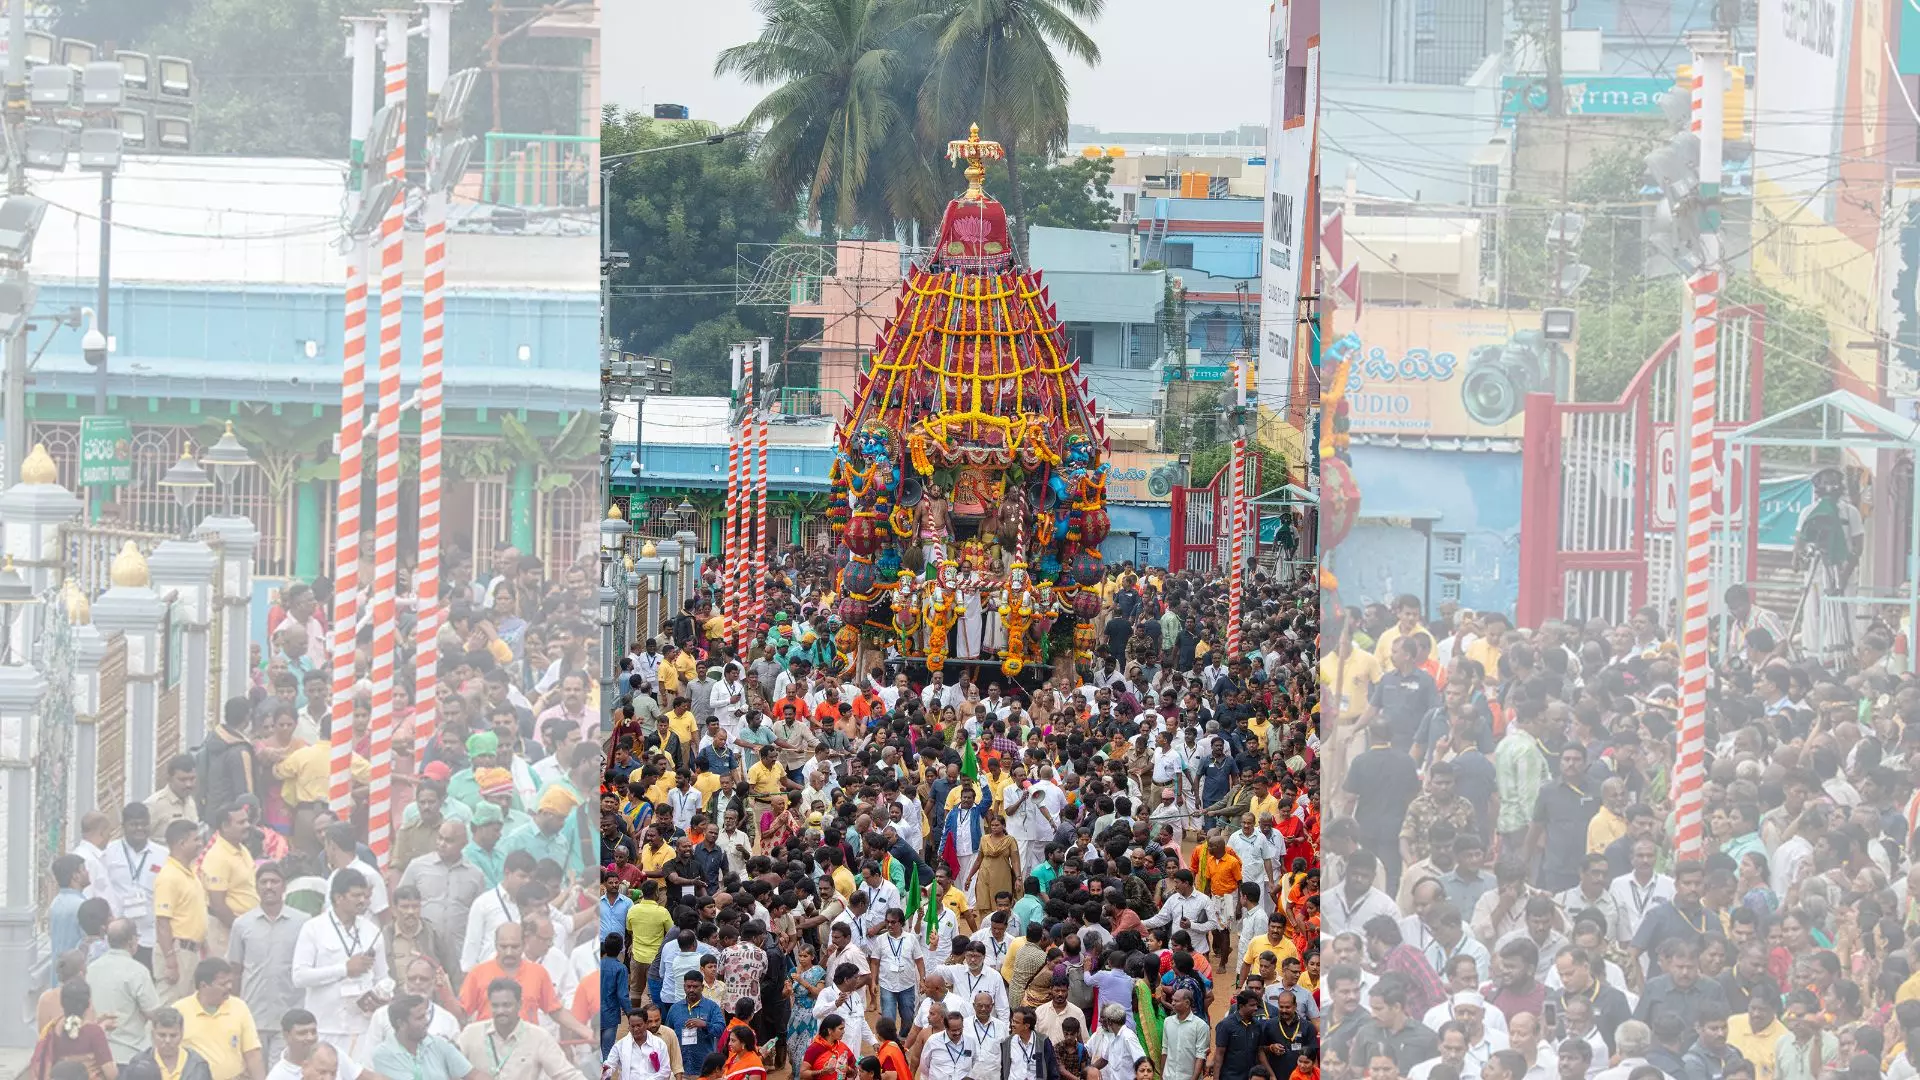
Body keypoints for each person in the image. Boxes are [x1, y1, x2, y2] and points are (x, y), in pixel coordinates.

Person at [453, 977, 578, 1080]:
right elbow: (449, 1068)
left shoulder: (538, 1037)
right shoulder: (471, 1033)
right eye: (495, 1006)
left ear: (520, 1005)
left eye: (507, 1005)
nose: (500, 1011)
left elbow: (567, 1075)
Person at [120, 1008, 213, 1080]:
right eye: (162, 1035)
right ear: (153, 1034)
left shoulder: (198, 1065)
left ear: (181, 1034)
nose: (167, 1040)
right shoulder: (139, 1063)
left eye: (173, 1035)